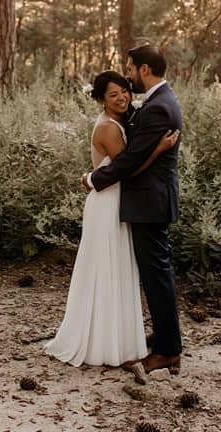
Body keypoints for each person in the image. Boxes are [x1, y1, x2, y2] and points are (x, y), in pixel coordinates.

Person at [45, 70, 179, 374]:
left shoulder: (125, 119)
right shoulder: (108, 129)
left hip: (119, 202)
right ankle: (104, 343)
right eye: (112, 95)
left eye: (124, 91)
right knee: (107, 271)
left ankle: (121, 340)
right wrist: (157, 149)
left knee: (118, 269)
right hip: (108, 205)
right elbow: (128, 169)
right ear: (100, 100)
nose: (121, 98)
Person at [83, 45, 184, 378]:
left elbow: (131, 160)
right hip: (147, 201)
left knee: (157, 276)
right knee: (155, 274)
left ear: (143, 69)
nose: (126, 77)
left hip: (149, 202)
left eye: (128, 70)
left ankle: (168, 351)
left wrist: (94, 179)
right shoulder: (157, 102)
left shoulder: (158, 107)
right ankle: (166, 338)